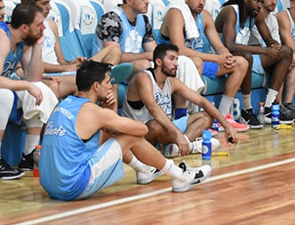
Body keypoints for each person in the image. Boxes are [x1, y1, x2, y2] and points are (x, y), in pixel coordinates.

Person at [38, 60, 213, 200]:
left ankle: (143, 169)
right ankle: (180, 176)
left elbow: (104, 134)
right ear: (96, 86)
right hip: (71, 187)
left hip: (49, 185)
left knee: (108, 132)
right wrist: (110, 112)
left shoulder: (64, 104)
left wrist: (109, 114)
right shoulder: (94, 112)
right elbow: (142, 129)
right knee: (131, 137)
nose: (110, 86)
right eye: (107, 82)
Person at [0, 1, 58, 177]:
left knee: (40, 89)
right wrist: (26, 85)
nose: (44, 28)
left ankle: (29, 155)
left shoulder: (22, 40)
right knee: (5, 96)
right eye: (39, 25)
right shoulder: (1, 37)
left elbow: (34, 78)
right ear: (25, 28)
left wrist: (37, 46)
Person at [160, 0, 250, 131]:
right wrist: (216, 58)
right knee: (194, 62)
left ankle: (223, 116)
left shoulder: (205, 16)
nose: (201, 2)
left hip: (201, 61)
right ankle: (187, 117)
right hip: (175, 63)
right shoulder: (176, 14)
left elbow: (219, 46)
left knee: (241, 62)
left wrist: (226, 56)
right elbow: (179, 50)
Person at [124, 43, 237, 157]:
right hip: (141, 132)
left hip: (166, 129)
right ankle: (189, 146)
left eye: (176, 59)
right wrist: (178, 134)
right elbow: (153, 108)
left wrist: (226, 125)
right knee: (155, 125)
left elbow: (202, 102)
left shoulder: (172, 82)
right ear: (158, 62)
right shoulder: (143, 78)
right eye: (171, 59)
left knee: (207, 116)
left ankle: (180, 146)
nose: (176, 63)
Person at [19, 0, 121, 99]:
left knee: (113, 49)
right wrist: (65, 68)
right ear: (29, 4)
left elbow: (60, 60)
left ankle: (107, 74)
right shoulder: (24, 29)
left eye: (49, 2)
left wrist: (71, 63)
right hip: (47, 75)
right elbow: (28, 65)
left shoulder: (51, 25)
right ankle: (105, 77)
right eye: (44, 3)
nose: (49, 7)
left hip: (63, 71)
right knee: (86, 81)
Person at [215, 0, 295, 128]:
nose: (259, 5)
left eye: (261, 2)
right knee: (247, 56)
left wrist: (275, 47)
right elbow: (230, 45)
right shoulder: (231, 11)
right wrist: (265, 51)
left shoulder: (255, 15)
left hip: (244, 58)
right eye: (256, 1)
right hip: (222, 58)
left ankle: (269, 107)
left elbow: (269, 40)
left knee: (287, 52)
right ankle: (247, 110)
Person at [251, 0, 295, 122]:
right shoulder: (256, 17)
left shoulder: (273, 19)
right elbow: (263, 46)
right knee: (284, 60)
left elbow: (276, 44)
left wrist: (289, 57)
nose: (273, 1)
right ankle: (274, 106)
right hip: (257, 56)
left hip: (269, 55)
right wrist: (285, 56)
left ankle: (287, 105)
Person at [96, 0, 156, 75]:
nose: (147, 2)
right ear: (129, 1)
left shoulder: (144, 20)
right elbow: (113, 57)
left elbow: (153, 50)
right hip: (107, 70)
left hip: (136, 66)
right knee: (144, 65)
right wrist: (147, 56)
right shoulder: (111, 20)